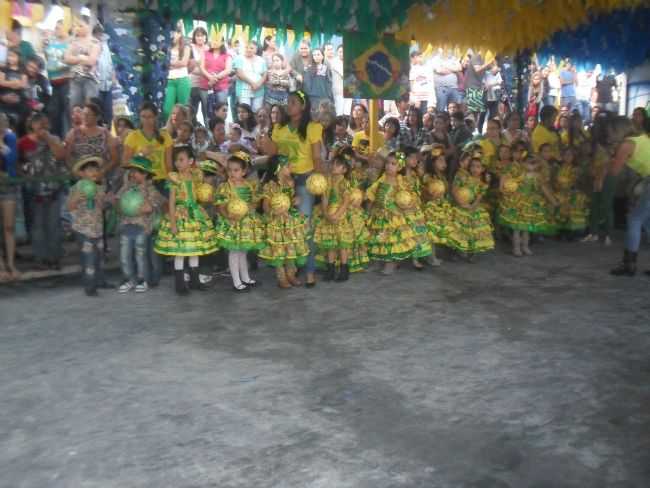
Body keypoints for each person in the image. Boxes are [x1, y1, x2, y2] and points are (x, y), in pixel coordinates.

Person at [260, 90, 324, 287]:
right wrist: (265, 138)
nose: (289, 105)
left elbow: (316, 158)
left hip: (305, 180)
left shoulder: (313, 127)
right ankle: (289, 270)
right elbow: (273, 154)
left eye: (294, 102)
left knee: (304, 227)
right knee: (285, 227)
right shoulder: (279, 127)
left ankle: (310, 270)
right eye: (288, 102)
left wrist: (320, 183)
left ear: (303, 106)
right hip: (282, 181)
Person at [154, 145, 218, 293]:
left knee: (194, 250)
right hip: (180, 214)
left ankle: (195, 281)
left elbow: (200, 193)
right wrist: (173, 222)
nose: (178, 163)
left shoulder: (196, 176)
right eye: (176, 160)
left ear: (190, 161)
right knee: (180, 251)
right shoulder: (174, 178)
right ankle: (180, 284)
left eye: (181, 159)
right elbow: (171, 201)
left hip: (195, 214)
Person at [18, 113, 67, 270]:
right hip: (34, 190)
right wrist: (25, 176)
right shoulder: (23, 142)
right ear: (32, 125)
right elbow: (17, 162)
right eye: (39, 124)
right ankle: (40, 258)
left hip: (53, 188)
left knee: (53, 224)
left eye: (45, 124)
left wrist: (48, 138)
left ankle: (54, 257)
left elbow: (60, 154)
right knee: (37, 225)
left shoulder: (55, 139)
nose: (42, 127)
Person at [214, 150, 264, 291]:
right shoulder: (226, 187)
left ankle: (246, 278)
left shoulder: (249, 185)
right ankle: (236, 282)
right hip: (233, 223)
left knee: (243, 251)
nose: (232, 173)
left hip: (246, 222)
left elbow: (254, 202)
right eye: (229, 170)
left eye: (236, 170)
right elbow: (221, 206)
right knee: (234, 252)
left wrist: (251, 207)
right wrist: (227, 216)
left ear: (244, 171)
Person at [115, 156, 165, 293]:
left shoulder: (150, 189)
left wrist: (149, 207)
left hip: (142, 227)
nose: (132, 174)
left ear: (145, 174)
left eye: (135, 171)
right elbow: (117, 202)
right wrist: (121, 206)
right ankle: (128, 279)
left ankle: (143, 280)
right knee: (125, 256)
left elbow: (157, 203)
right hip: (126, 226)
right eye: (131, 171)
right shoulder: (126, 188)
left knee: (140, 255)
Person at [258, 155, 309, 288]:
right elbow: (265, 206)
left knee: (291, 248)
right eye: (287, 165)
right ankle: (281, 277)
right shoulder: (270, 185)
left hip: (290, 220)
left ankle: (291, 274)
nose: (291, 167)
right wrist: (275, 212)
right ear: (279, 169)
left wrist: (295, 200)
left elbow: (290, 201)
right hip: (277, 222)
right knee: (279, 249)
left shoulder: (290, 182)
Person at [609, 118, 650, 276]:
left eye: (610, 131)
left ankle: (629, 264)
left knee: (634, 219)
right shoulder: (641, 138)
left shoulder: (626, 145)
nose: (609, 135)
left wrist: (609, 161)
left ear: (617, 130)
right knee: (646, 221)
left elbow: (614, 171)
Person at [365, 151, 417, 274]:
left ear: (400, 167)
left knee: (391, 240)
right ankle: (376, 261)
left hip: (394, 216)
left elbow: (409, 196)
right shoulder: (381, 178)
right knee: (377, 239)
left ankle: (391, 263)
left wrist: (407, 205)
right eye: (387, 163)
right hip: (378, 214)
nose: (389, 166)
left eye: (393, 164)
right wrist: (368, 209)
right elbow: (372, 193)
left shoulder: (401, 181)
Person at [67, 156, 112, 296]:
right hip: (83, 230)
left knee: (99, 257)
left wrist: (106, 201)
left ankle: (100, 281)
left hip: (97, 230)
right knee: (89, 260)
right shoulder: (77, 188)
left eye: (96, 169)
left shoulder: (99, 188)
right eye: (89, 170)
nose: (94, 172)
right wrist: (76, 199)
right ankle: (90, 286)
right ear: (81, 173)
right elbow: (69, 206)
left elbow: (102, 206)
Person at [498, 153, 558, 256]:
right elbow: (507, 179)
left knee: (526, 229)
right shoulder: (519, 174)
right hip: (517, 202)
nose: (532, 165)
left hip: (530, 203)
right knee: (517, 228)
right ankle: (516, 248)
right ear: (523, 163)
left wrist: (553, 201)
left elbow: (544, 189)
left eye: (534, 163)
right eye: (529, 163)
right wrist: (503, 188)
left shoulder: (538, 176)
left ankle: (525, 247)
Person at [312, 154, 355, 281]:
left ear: (344, 169)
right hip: (329, 216)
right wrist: (325, 213)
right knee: (330, 244)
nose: (333, 167)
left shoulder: (344, 183)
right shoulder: (327, 181)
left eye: (337, 165)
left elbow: (346, 201)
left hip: (340, 217)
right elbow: (324, 198)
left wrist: (336, 215)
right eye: (332, 164)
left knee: (342, 245)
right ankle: (330, 269)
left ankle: (344, 269)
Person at [447, 157, 495, 261]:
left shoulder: (483, 183)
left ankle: (473, 252)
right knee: (460, 230)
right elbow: (454, 190)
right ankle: (460, 250)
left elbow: (479, 197)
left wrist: (472, 207)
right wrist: (461, 203)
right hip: (461, 207)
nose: (475, 169)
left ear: (483, 169)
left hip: (474, 208)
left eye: (478, 167)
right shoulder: (463, 176)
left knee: (474, 231)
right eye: (472, 166)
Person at [122, 102, 174, 195]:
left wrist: (171, 180)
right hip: (140, 181)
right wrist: (140, 155)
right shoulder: (133, 136)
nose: (146, 120)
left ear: (155, 117)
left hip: (161, 180)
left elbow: (169, 165)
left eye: (150, 117)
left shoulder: (165, 136)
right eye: (143, 116)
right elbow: (125, 162)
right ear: (139, 117)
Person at [65, 102, 118, 174]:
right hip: (79, 175)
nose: (84, 117)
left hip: (100, 174)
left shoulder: (105, 133)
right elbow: (67, 156)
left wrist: (102, 172)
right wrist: (79, 173)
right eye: (83, 114)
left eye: (88, 115)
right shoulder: (74, 133)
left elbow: (114, 158)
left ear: (97, 117)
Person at [401, 149, 433, 268]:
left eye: (416, 158)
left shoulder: (415, 175)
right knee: (405, 233)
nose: (415, 160)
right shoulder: (400, 175)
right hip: (404, 208)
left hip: (416, 208)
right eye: (412, 158)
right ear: (404, 159)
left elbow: (418, 190)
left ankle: (416, 258)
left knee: (416, 233)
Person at [64, 15, 101, 109]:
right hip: (75, 80)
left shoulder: (95, 42)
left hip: (90, 80)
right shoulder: (73, 42)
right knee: (75, 110)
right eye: (76, 26)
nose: (78, 28)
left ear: (88, 26)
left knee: (90, 109)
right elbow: (67, 59)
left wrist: (75, 58)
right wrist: (81, 58)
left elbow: (91, 62)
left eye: (81, 26)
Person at [423, 150, 452, 266]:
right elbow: (424, 192)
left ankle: (431, 256)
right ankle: (431, 257)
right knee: (431, 234)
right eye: (440, 160)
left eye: (444, 160)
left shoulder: (442, 176)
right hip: (431, 208)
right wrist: (432, 197)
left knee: (436, 233)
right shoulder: (428, 176)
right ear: (432, 162)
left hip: (441, 206)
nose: (443, 163)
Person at [44, 19, 72, 138]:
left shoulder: (71, 42)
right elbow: (47, 58)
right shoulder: (51, 42)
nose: (57, 30)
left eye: (59, 27)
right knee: (54, 113)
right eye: (55, 28)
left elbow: (71, 61)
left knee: (67, 112)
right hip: (54, 83)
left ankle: (69, 139)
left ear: (65, 27)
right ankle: (56, 140)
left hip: (67, 81)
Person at [553, 147, 588, 238]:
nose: (567, 157)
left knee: (572, 200)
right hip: (560, 191)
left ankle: (572, 231)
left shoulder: (576, 169)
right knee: (558, 199)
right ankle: (561, 230)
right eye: (565, 155)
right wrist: (558, 184)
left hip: (572, 191)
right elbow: (555, 182)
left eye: (570, 155)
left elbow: (574, 182)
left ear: (574, 157)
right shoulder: (559, 167)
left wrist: (563, 183)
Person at [0, 113, 19, 280]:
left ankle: (11, 263)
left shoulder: (11, 137)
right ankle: (0, 266)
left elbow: (13, 161)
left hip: (8, 185)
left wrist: (3, 146)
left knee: (9, 227)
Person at [200, 32, 231, 123]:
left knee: (222, 110)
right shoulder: (205, 53)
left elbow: (228, 70)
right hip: (206, 85)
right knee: (207, 109)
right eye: (212, 39)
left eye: (216, 40)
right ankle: (208, 131)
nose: (213, 42)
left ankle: (220, 129)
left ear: (222, 42)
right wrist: (210, 77)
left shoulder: (227, 55)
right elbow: (201, 67)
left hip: (221, 86)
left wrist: (215, 77)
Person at [162, 28, 191, 121]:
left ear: (180, 34)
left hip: (182, 80)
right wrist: (175, 64)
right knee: (167, 110)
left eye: (176, 32)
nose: (173, 35)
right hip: (169, 81)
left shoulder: (186, 47)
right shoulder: (165, 48)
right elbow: (162, 63)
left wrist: (169, 64)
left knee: (183, 109)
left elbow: (184, 63)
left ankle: (183, 131)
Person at [233, 40, 267, 113]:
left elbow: (265, 74)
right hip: (243, 91)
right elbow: (239, 74)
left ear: (256, 49)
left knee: (257, 111)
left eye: (251, 48)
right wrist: (253, 83)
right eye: (246, 47)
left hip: (258, 90)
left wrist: (258, 84)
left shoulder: (261, 60)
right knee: (245, 111)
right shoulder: (239, 58)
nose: (248, 49)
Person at [0, 48, 28, 133]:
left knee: (16, 124)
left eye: (13, 56)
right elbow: (1, 82)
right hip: (5, 102)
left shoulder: (23, 70)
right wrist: (14, 83)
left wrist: (10, 83)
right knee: (5, 123)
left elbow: (24, 84)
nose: (10, 58)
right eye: (9, 56)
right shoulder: (4, 69)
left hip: (18, 102)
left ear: (19, 57)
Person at [92, 23, 115, 130]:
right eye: (98, 33)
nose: (100, 35)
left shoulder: (106, 45)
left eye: (101, 33)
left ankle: (108, 134)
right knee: (97, 112)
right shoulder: (91, 45)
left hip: (108, 84)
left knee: (109, 113)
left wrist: (113, 78)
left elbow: (110, 63)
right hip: (96, 84)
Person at [302, 48, 334, 118]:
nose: (316, 56)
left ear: (322, 56)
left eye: (318, 54)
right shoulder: (308, 69)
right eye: (314, 55)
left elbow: (329, 84)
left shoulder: (326, 68)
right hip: (312, 99)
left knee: (324, 118)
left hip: (324, 99)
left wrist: (329, 98)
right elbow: (306, 85)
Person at [464, 51, 491, 129]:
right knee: (474, 112)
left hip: (479, 87)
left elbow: (491, 70)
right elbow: (478, 69)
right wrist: (488, 63)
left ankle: (476, 130)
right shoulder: (476, 57)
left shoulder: (484, 59)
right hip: (473, 86)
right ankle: (472, 131)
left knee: (478, 112)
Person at [189, 27, 209, 125]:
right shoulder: (190, 47)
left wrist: (198, 64)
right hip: (192, 83)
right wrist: (204, 71)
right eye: (197, 36)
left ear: (205, 37)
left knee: (207, 112)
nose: (200, 38)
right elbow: (189, 66)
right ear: (194, 37)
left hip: (206, 85)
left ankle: (209, 134)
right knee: (192, 111)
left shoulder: (209, 48)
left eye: (202, 35)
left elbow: (211, 65)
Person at [433, 48, 461, 113]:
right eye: (442, 48)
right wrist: (453, 69)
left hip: (454, 88)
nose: (446, 50)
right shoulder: (435, 59)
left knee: (454, 111)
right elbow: (440, 70)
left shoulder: (453, 58)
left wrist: (445, 66)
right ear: (439, 50)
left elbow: (459, 68)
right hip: (441, 88)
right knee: (440, 110)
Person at [329, 44, 344, 115]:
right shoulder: (334, 62)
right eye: (340, 52)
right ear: (337, 52)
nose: (342, 54)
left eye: (344, 51)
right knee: (339, 113)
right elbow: (345, 74)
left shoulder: (349, 61)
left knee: (347, 113)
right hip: (338, 92)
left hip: (349, 91)